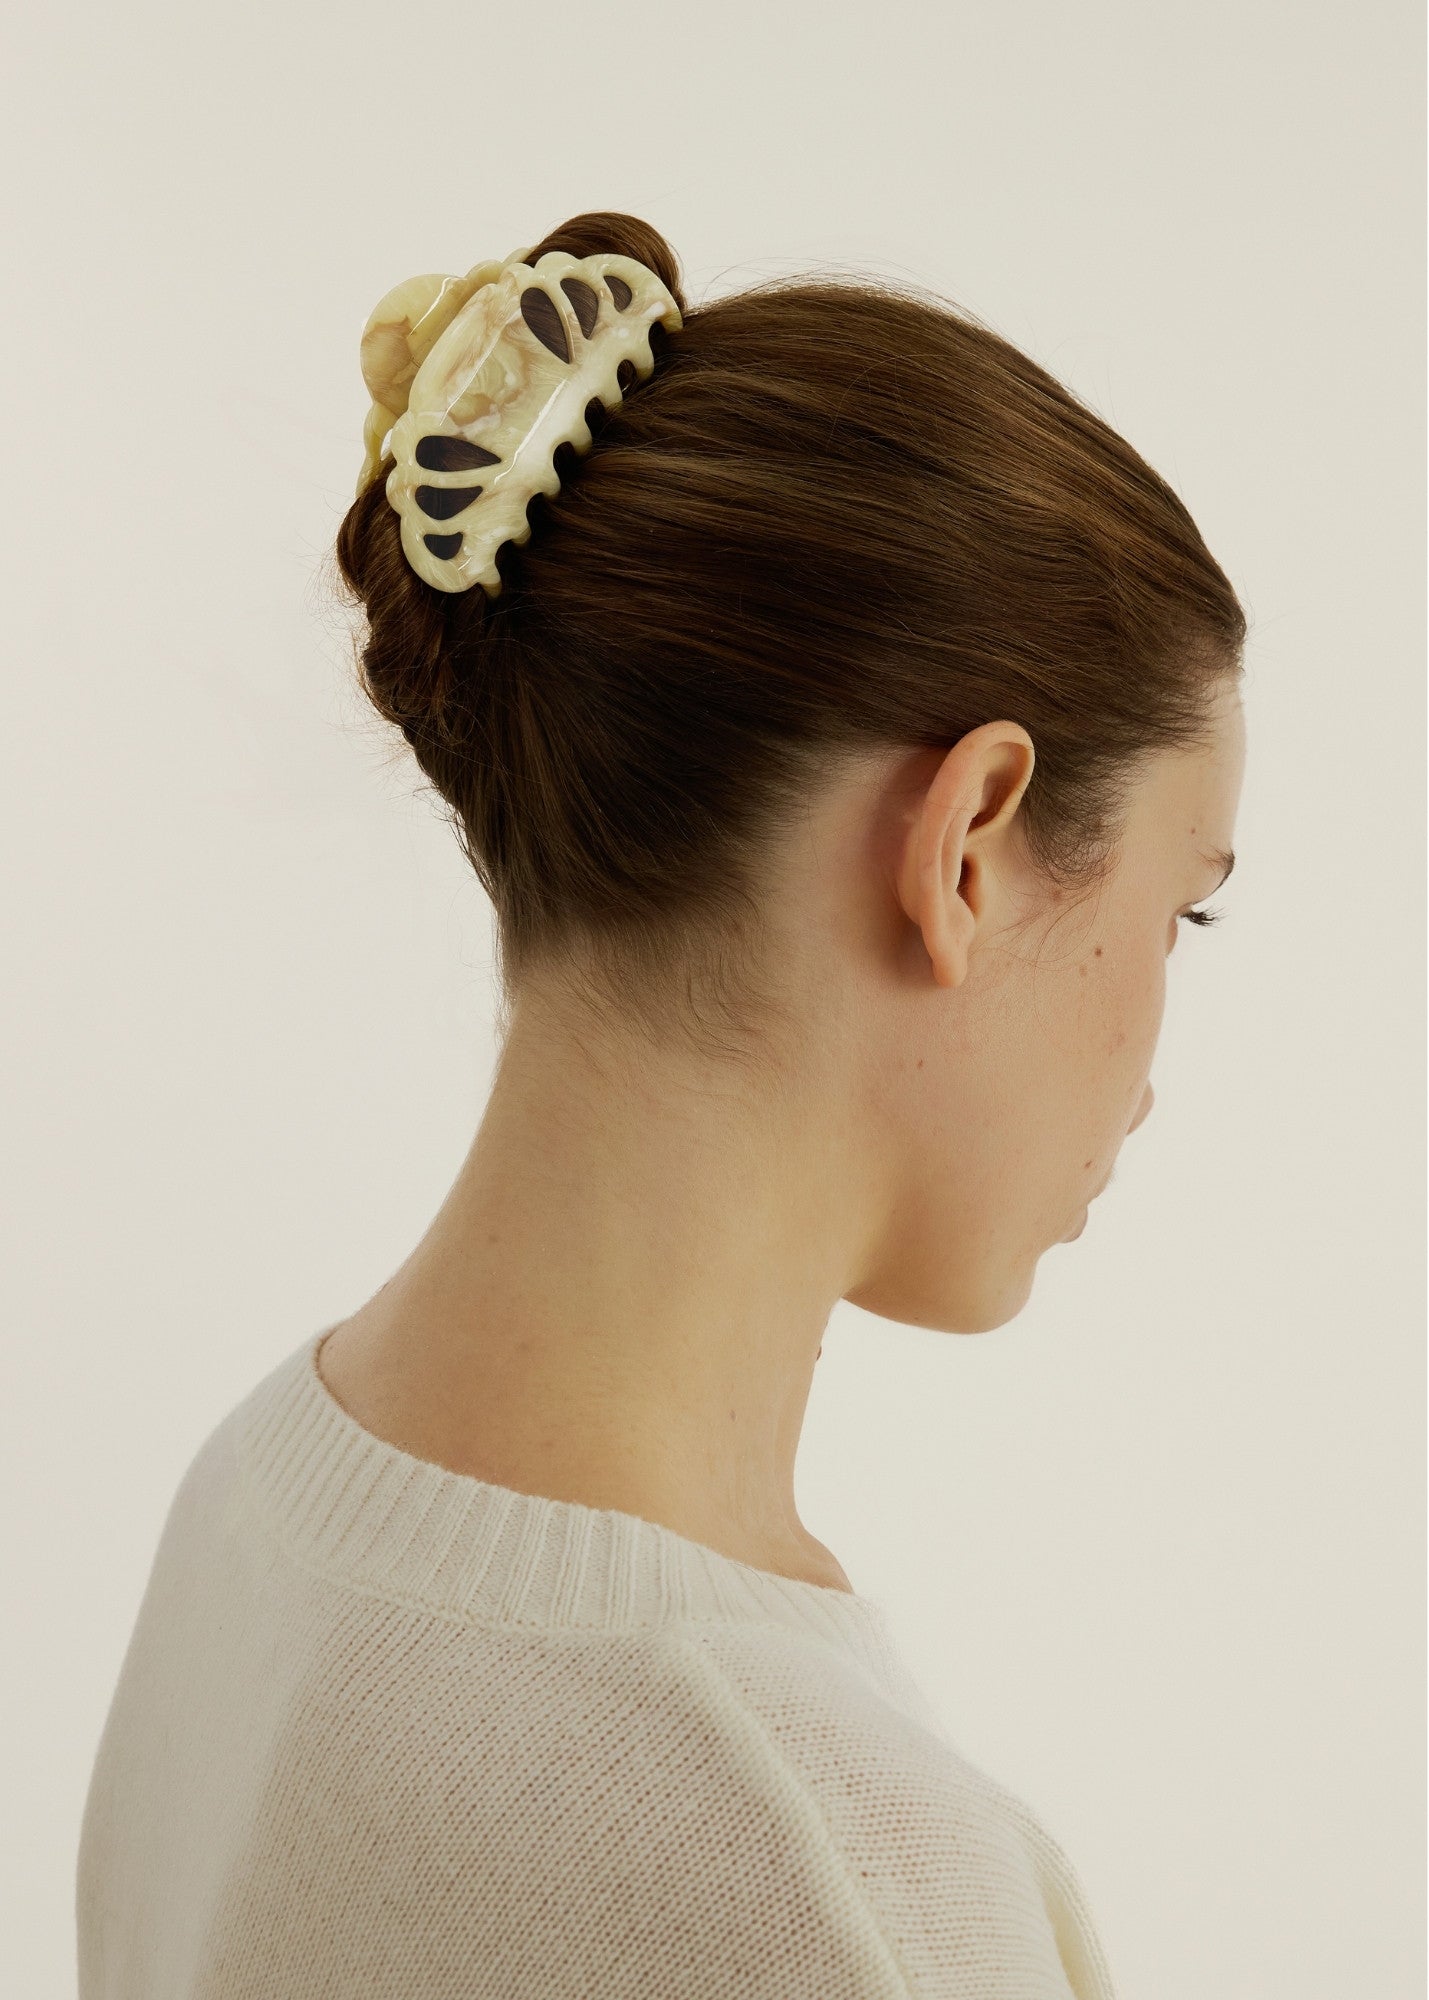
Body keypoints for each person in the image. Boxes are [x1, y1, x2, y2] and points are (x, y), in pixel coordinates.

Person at [77, 210, 1246, 1999]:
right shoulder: (828, 1892)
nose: (1156, 1070)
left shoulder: (262, 1499)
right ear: (965, 847)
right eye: (1183, 909)